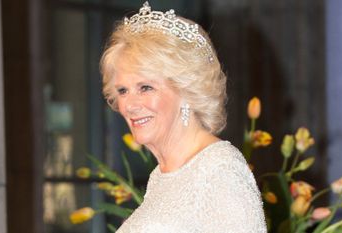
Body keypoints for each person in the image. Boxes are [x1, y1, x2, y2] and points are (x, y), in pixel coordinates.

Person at [100, 2, 267, 232]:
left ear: (187, 89)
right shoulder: (160, 176)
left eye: (145, 87)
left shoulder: (219, 171)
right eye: (122, 91)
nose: (129, 105)